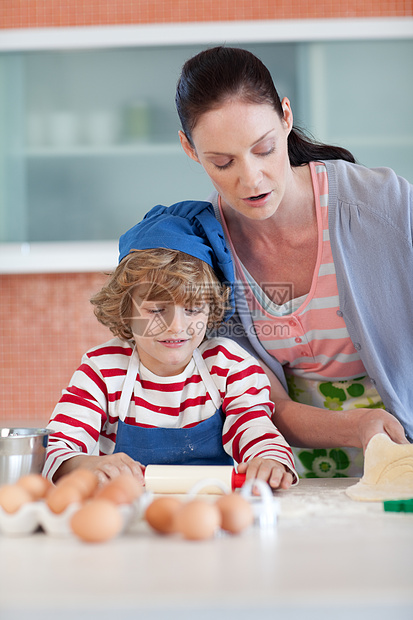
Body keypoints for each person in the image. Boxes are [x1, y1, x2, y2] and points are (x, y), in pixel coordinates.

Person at [174, 45, 412, 478]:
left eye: (263, 149)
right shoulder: (206, 253)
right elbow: (259, 403)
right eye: (222, 162)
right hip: (293, 478)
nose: (251, 178)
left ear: (286, 116)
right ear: (190, 150)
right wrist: (356, 426)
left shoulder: (384, 206)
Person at [43, 200, 297, 489]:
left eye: (192, 309)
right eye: (156, 310)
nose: (176, 326)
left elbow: (255, 428)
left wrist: (268, 461)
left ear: (211, 308)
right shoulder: (103, 370)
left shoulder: (228, 366)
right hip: (128, 515)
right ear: (126, 308)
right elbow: (57, 448)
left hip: (211, 513)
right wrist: (85, 464)